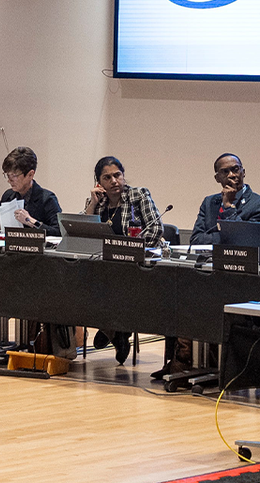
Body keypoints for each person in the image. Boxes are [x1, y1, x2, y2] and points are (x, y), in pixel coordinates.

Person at [0, 146, 63, 351]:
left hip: (34, 266)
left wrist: (32, 222)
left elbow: (59, 232)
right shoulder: (9, 196)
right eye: (7, 175)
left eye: (14, 175)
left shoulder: (46, 198)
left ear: (30, 174)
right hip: (8, 260)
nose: (10, 180)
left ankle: (22, 341)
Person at [84, 156, 164, 364]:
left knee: (117, 281)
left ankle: (110, 328)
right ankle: (116, 331)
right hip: (106, 265)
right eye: (107, 177)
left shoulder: (138, 195)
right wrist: (92, 204)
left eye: (117, 175)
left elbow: (156, 229)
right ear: (98, 182)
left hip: (137, 263)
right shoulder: (97, 201)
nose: (114, 181)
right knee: (82, 278)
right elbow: (83, 232)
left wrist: (127, 249)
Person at [188, 153, 260, 245]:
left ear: (243, 172)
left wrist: (228, 207)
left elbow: (247, 240)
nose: (231, 175)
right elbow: (196, 239)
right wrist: (227, 238)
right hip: (208, 258)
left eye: (235, 170)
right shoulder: (209, 202)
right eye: (225, 171)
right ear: (217, 178)